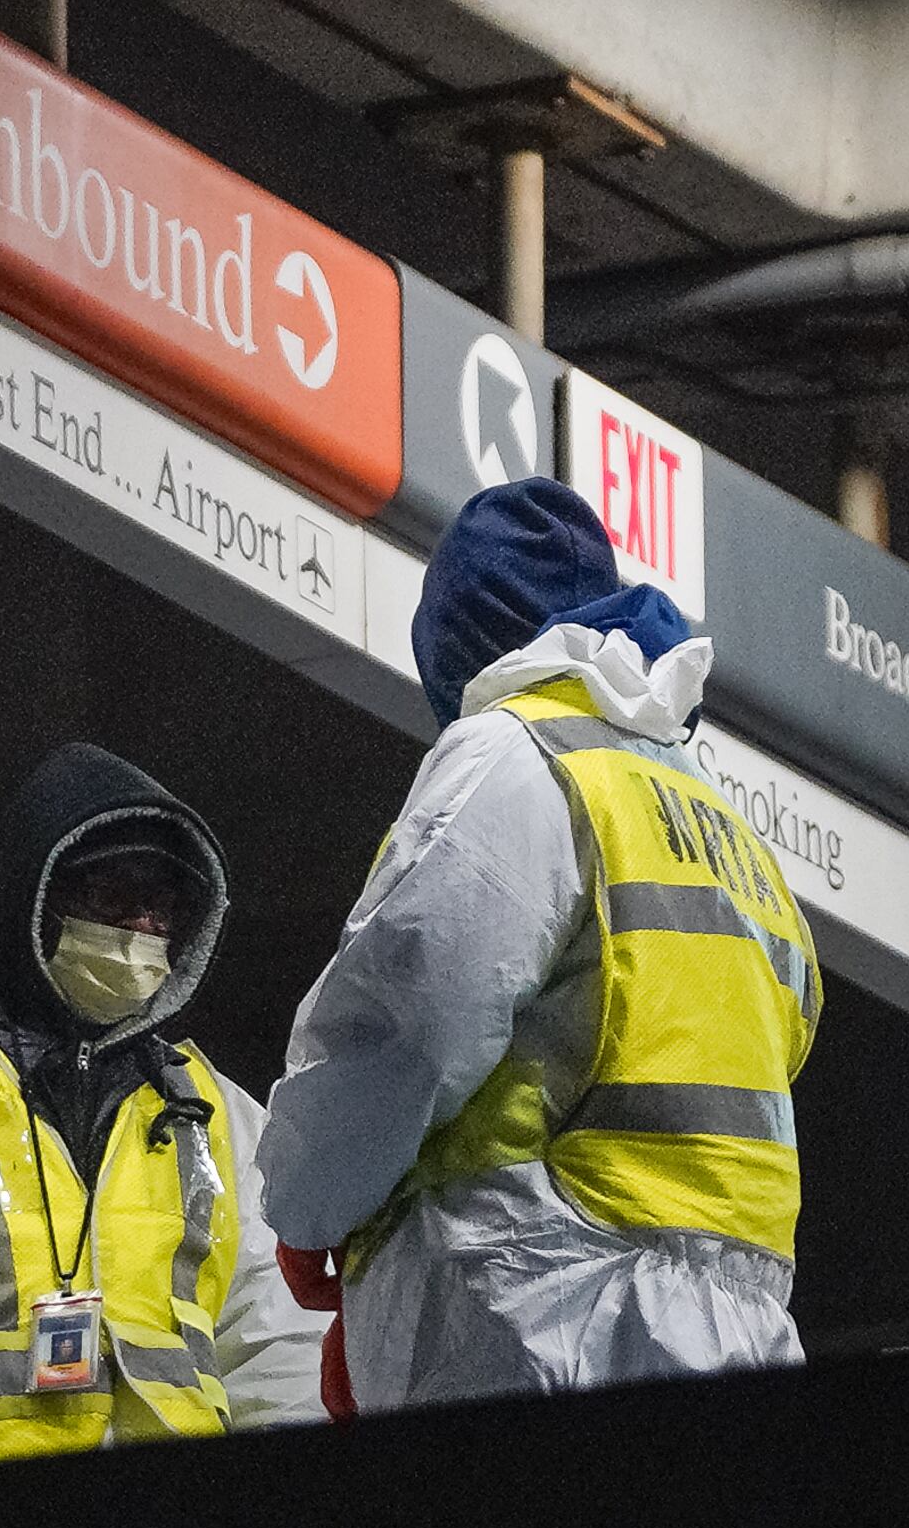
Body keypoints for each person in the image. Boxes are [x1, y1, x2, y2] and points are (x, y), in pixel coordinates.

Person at [259, 479, 821, 1410]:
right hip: (742, 1326)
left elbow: (408, 1012)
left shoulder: (515, 756)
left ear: (459, 642)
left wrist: (314, 1199)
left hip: (547, 1314)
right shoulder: (726, 826)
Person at [0, 743, 324, 1471]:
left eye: (166, 908)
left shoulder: (216, 1114)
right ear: (34, 896)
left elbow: (279, 1349)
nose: (143, 929)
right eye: (114, 897)